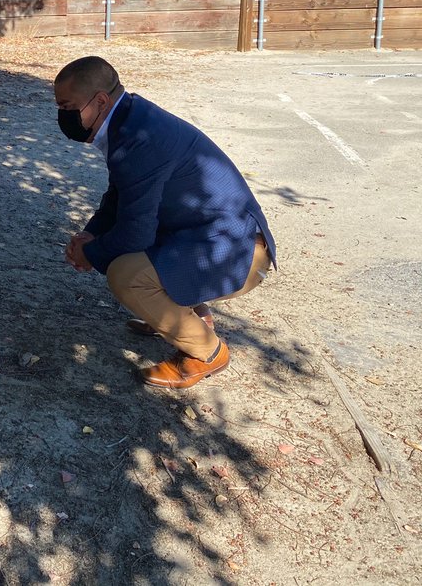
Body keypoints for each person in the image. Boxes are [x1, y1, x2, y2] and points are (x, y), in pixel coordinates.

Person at [53, 56, 276, 389]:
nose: (62, 116)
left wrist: (91, 253)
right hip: (215, 237)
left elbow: (135, 233)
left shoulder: (139, 139)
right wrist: (90, 233)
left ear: (100, 100)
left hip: (237, 254)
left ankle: (207, 353)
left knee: (127, 275)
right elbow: (120, 196)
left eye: (68, 106)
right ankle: (188, 316)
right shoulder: (130, 119)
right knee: (130, 255)